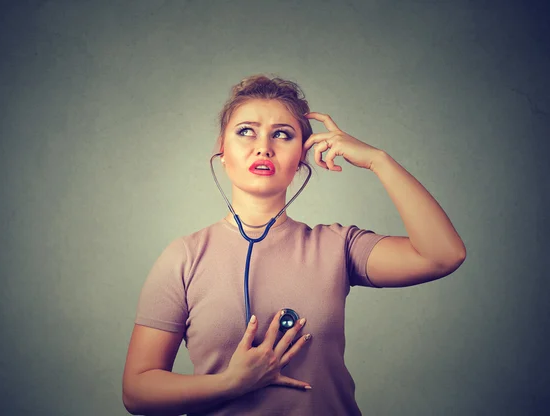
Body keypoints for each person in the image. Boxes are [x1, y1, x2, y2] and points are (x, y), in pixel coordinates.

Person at [122, 74, 467, 415]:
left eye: (282, 135)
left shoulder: (338, 247)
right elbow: (137, 392)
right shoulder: (184, 257)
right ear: (221, 150)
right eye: (246, 131)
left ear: (302, 156)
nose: (263, 147)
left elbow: (444, 255)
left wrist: (378, 160)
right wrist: (231, 382)